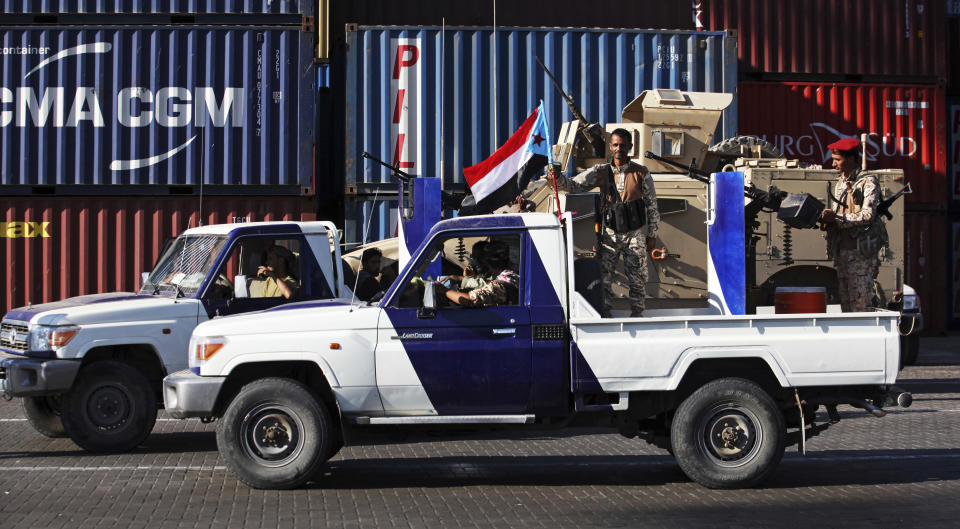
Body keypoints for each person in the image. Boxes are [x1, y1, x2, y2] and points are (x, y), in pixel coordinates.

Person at [550, 128, 660, 317]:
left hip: (634, 234)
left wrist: (652, 234)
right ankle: (605, 315)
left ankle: (637, 315)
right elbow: (575, 186)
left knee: (638, 278)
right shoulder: (600, 171)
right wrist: (557, 176)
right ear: (610, 147)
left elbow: (652, 206)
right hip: (609, 232)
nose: (619, 148)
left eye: (623, 145)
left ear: (630, 147)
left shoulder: (641, 173)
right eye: (615, 145)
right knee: (605, 277)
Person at [819, 137, 887, 312]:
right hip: (842, 250)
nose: (833, 164)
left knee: (861, 303)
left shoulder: (868, 182)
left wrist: (838, 218)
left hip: (859, 253)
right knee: (846, 305)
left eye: (838, 160)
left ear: (851, 159)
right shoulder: (841, 182)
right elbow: (839, 213)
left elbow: (867, 215)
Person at [436, 240, 518, 307]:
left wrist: (444, 291)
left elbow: (470, 300)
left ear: (486, 262)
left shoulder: (499, 285)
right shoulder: (511, 274)